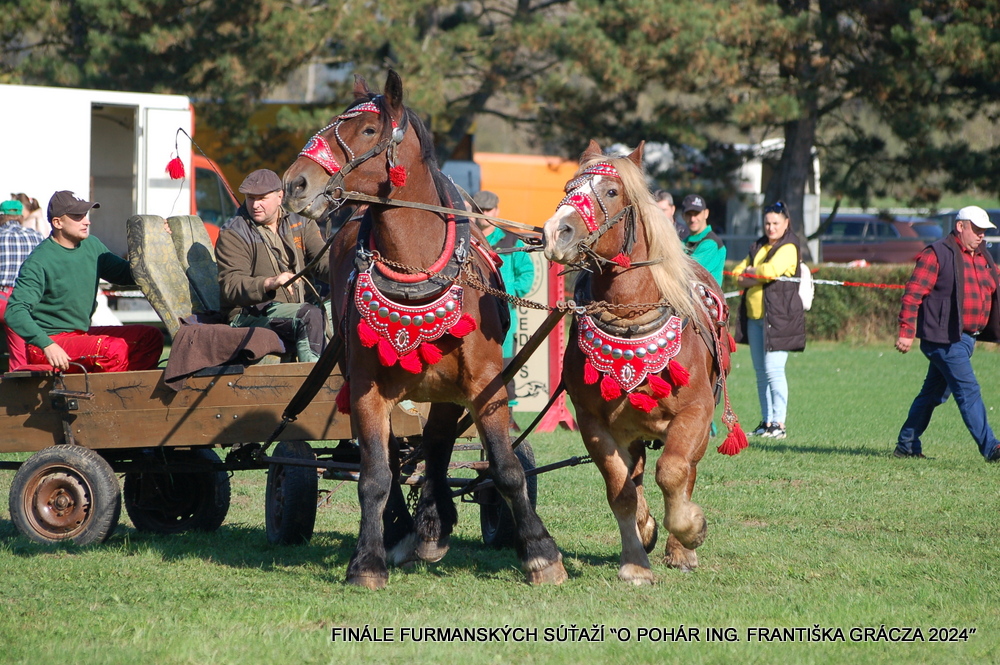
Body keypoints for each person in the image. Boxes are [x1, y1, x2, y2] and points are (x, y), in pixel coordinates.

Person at [5, 191, 163, 372]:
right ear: (57, 223)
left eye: (85, 215)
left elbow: (128, 274)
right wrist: (47, 344)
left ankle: (133, 391)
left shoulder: (92, 245)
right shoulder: (40, 260)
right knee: (112, 350)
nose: (86, 221)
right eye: (77, 216)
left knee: (150, 337)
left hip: (80, 335)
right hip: (49, 343)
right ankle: (114, 396)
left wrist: (159, 242)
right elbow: (15, 311)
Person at [894, 205, 1000, 462]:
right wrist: (907, 331)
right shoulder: (936, 254)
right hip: (942, 337)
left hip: (967, 339)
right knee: (968, 389)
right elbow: (913, 294)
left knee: (933, 394)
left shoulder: (983, 255)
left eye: (984, 230)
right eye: (976, 229)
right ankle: (992, 448)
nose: (981, 235)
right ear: (960, 226)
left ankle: (906, 445)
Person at [216, 169, 330, 363]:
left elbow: (322, 262)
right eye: (250, 198)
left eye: (262, 198)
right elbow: (231, 285)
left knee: (349, 303)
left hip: (302, 305)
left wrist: (350, 268)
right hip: (250, 314)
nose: (255, 205)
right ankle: (313, 383)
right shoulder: (234, 233)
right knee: (309, 316)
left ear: (280, 196)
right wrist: (269, 283)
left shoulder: (301, 221)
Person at [733, 201, 806, 440]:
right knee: (760, 372)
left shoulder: (789, 246)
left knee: (774, 370)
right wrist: (756, 276)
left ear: (786, 223)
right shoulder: (759, 245)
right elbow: (736, 274)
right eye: (767, 223)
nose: (771, 227)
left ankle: (779, 424)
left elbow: (770, 272)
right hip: (755, 318)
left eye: (776, 223)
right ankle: (766, 422)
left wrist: (752, 275)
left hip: (779, 319)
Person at [473, 190, 535, 423]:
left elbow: (527, 273)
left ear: (497, 211)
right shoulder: (469, 237)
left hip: (504, 314)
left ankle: (507, 415)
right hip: (474, 312)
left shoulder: (510, 240)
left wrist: (511, 292)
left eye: (488, 210)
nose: (484, 214)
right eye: (480, 209)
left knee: (504, 363)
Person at [0, 199, 45, 322]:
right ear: (21, 217)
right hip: (25, 299)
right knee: (20, 339)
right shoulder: (37, 236)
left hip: (1, 295)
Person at [681, 194, 725, 286]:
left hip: (704, 299)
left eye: (696, 214)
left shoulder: (711, 243)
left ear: (706, 213)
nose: (692, 219)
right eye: (689, 214)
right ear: (683, 216)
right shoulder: (683, 242)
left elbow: (690, 273)